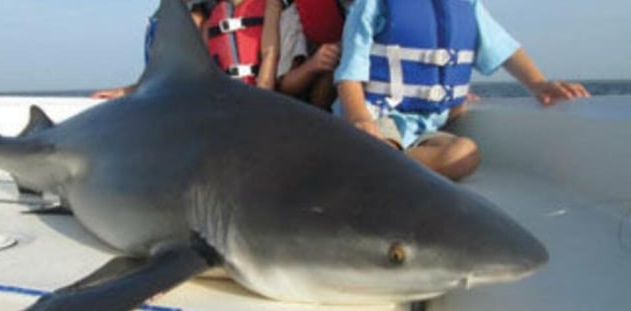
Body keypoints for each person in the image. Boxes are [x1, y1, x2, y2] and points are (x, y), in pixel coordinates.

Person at [334, 0, 590, 180]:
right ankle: (377, 158)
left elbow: (505, 49)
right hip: (379, 117)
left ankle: (380, 165)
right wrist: (359, 118)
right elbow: (349, 74)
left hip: (428, 125)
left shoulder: (467, 4)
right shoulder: (372, 4)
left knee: (464, 154)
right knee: (381, 145)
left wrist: (539, 84)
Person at [92, 1, 216, 99]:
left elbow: (187, 79)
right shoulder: (168, 15)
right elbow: (164, 77)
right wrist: (130, 90)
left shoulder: (198, 20)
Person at [276, 0, 349, 109]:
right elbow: (285, 85)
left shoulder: (365, 8)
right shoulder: (294, 16)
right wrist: (313, 65)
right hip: (311, 105)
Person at [205, 0, 283, 90]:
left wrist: (260, 95)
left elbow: (270, 53)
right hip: (222, 94)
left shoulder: (270, 7)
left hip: (256, 92)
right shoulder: (209, 21)